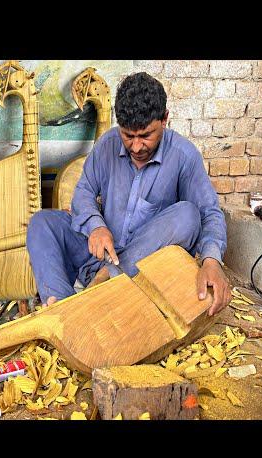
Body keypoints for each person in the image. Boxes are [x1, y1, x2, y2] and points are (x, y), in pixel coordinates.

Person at [27, 72, 231, 316]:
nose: (136, 147)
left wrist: (211, 260)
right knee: (42, 223)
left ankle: (102, 284)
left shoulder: (184, 155)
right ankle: (61, 310)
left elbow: (209, 213)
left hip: (144, 265)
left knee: (188, 215)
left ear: (164, 119)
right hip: (100, 253)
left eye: (145, 135)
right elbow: (83, 192)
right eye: (128, 135)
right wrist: (96, 226)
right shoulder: (107, 144)